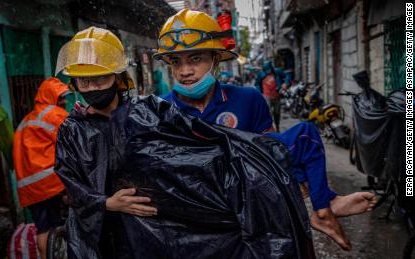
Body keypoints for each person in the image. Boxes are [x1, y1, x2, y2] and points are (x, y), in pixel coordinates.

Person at [154, 8, 377, 251]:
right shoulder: (160, 111)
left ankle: (324, 207)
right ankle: (326, 205)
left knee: (305, 135)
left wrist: (315, 189)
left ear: (216, 58)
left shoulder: (248, 98)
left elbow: (274, 154)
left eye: (195, 59)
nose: (185, 71)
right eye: (176, 61)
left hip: (251, 204)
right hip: (201, 213)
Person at [53, 27, 157, 259]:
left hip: (147, 227)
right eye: (84, 80)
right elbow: (71, 183)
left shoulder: (144, 116)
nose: (92, 87)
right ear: (74, 84)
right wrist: (106, 203)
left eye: (100, 78)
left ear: (118, 77)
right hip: (95, 237)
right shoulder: (71, 130)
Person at [12, 78, 70, 258]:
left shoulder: (26, 120)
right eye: (61, 97)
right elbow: (72, 145)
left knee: (43, 228)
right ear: (53, 97)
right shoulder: (55, 114)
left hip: (29, 186)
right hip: (51, 181)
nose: (64, 101)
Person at [254, 61, 283, 132]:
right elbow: (257, 84)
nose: (268, 72)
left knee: (277, 113)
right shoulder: (261, 74)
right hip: (266, 96)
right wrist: (260, 92)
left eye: (269, 70)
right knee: (268, 113)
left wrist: (285, 83)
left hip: (276, 96)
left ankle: (277, 126)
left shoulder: (277, 72)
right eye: (266, 71)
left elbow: (287, 75)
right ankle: (270, 129)